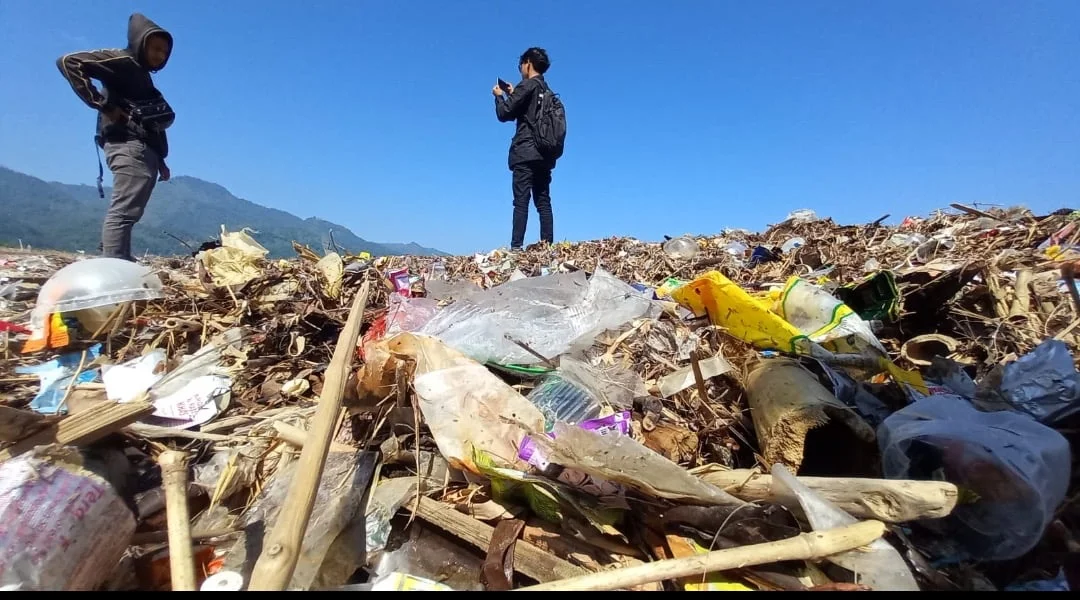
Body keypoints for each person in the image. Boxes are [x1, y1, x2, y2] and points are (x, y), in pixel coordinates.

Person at [57, 13, 175, 262]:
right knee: (124, 210)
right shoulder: (121, 61)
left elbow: (150, 122)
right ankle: (113, 263)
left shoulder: (142, 76)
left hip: (144, 149)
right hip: (127, 144)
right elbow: (69, 61)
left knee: (131, 209)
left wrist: (161, 161)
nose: (159, 56)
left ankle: (116, 256)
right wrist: (101, 104)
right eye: (155, 48)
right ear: (139, 42)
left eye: (164, 52)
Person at [494, 47, 557, 251]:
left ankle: (516, 248)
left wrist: (499, 96)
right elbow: (524, 111)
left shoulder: (527, 85)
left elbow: (504, 113)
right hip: (544, 154)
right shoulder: (546, 91)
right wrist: (513, 93)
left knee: (521, 201)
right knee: (543, 201)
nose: (521, 68)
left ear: (528, 63)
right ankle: (547, 247)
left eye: (521, 64)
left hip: (525, 151)